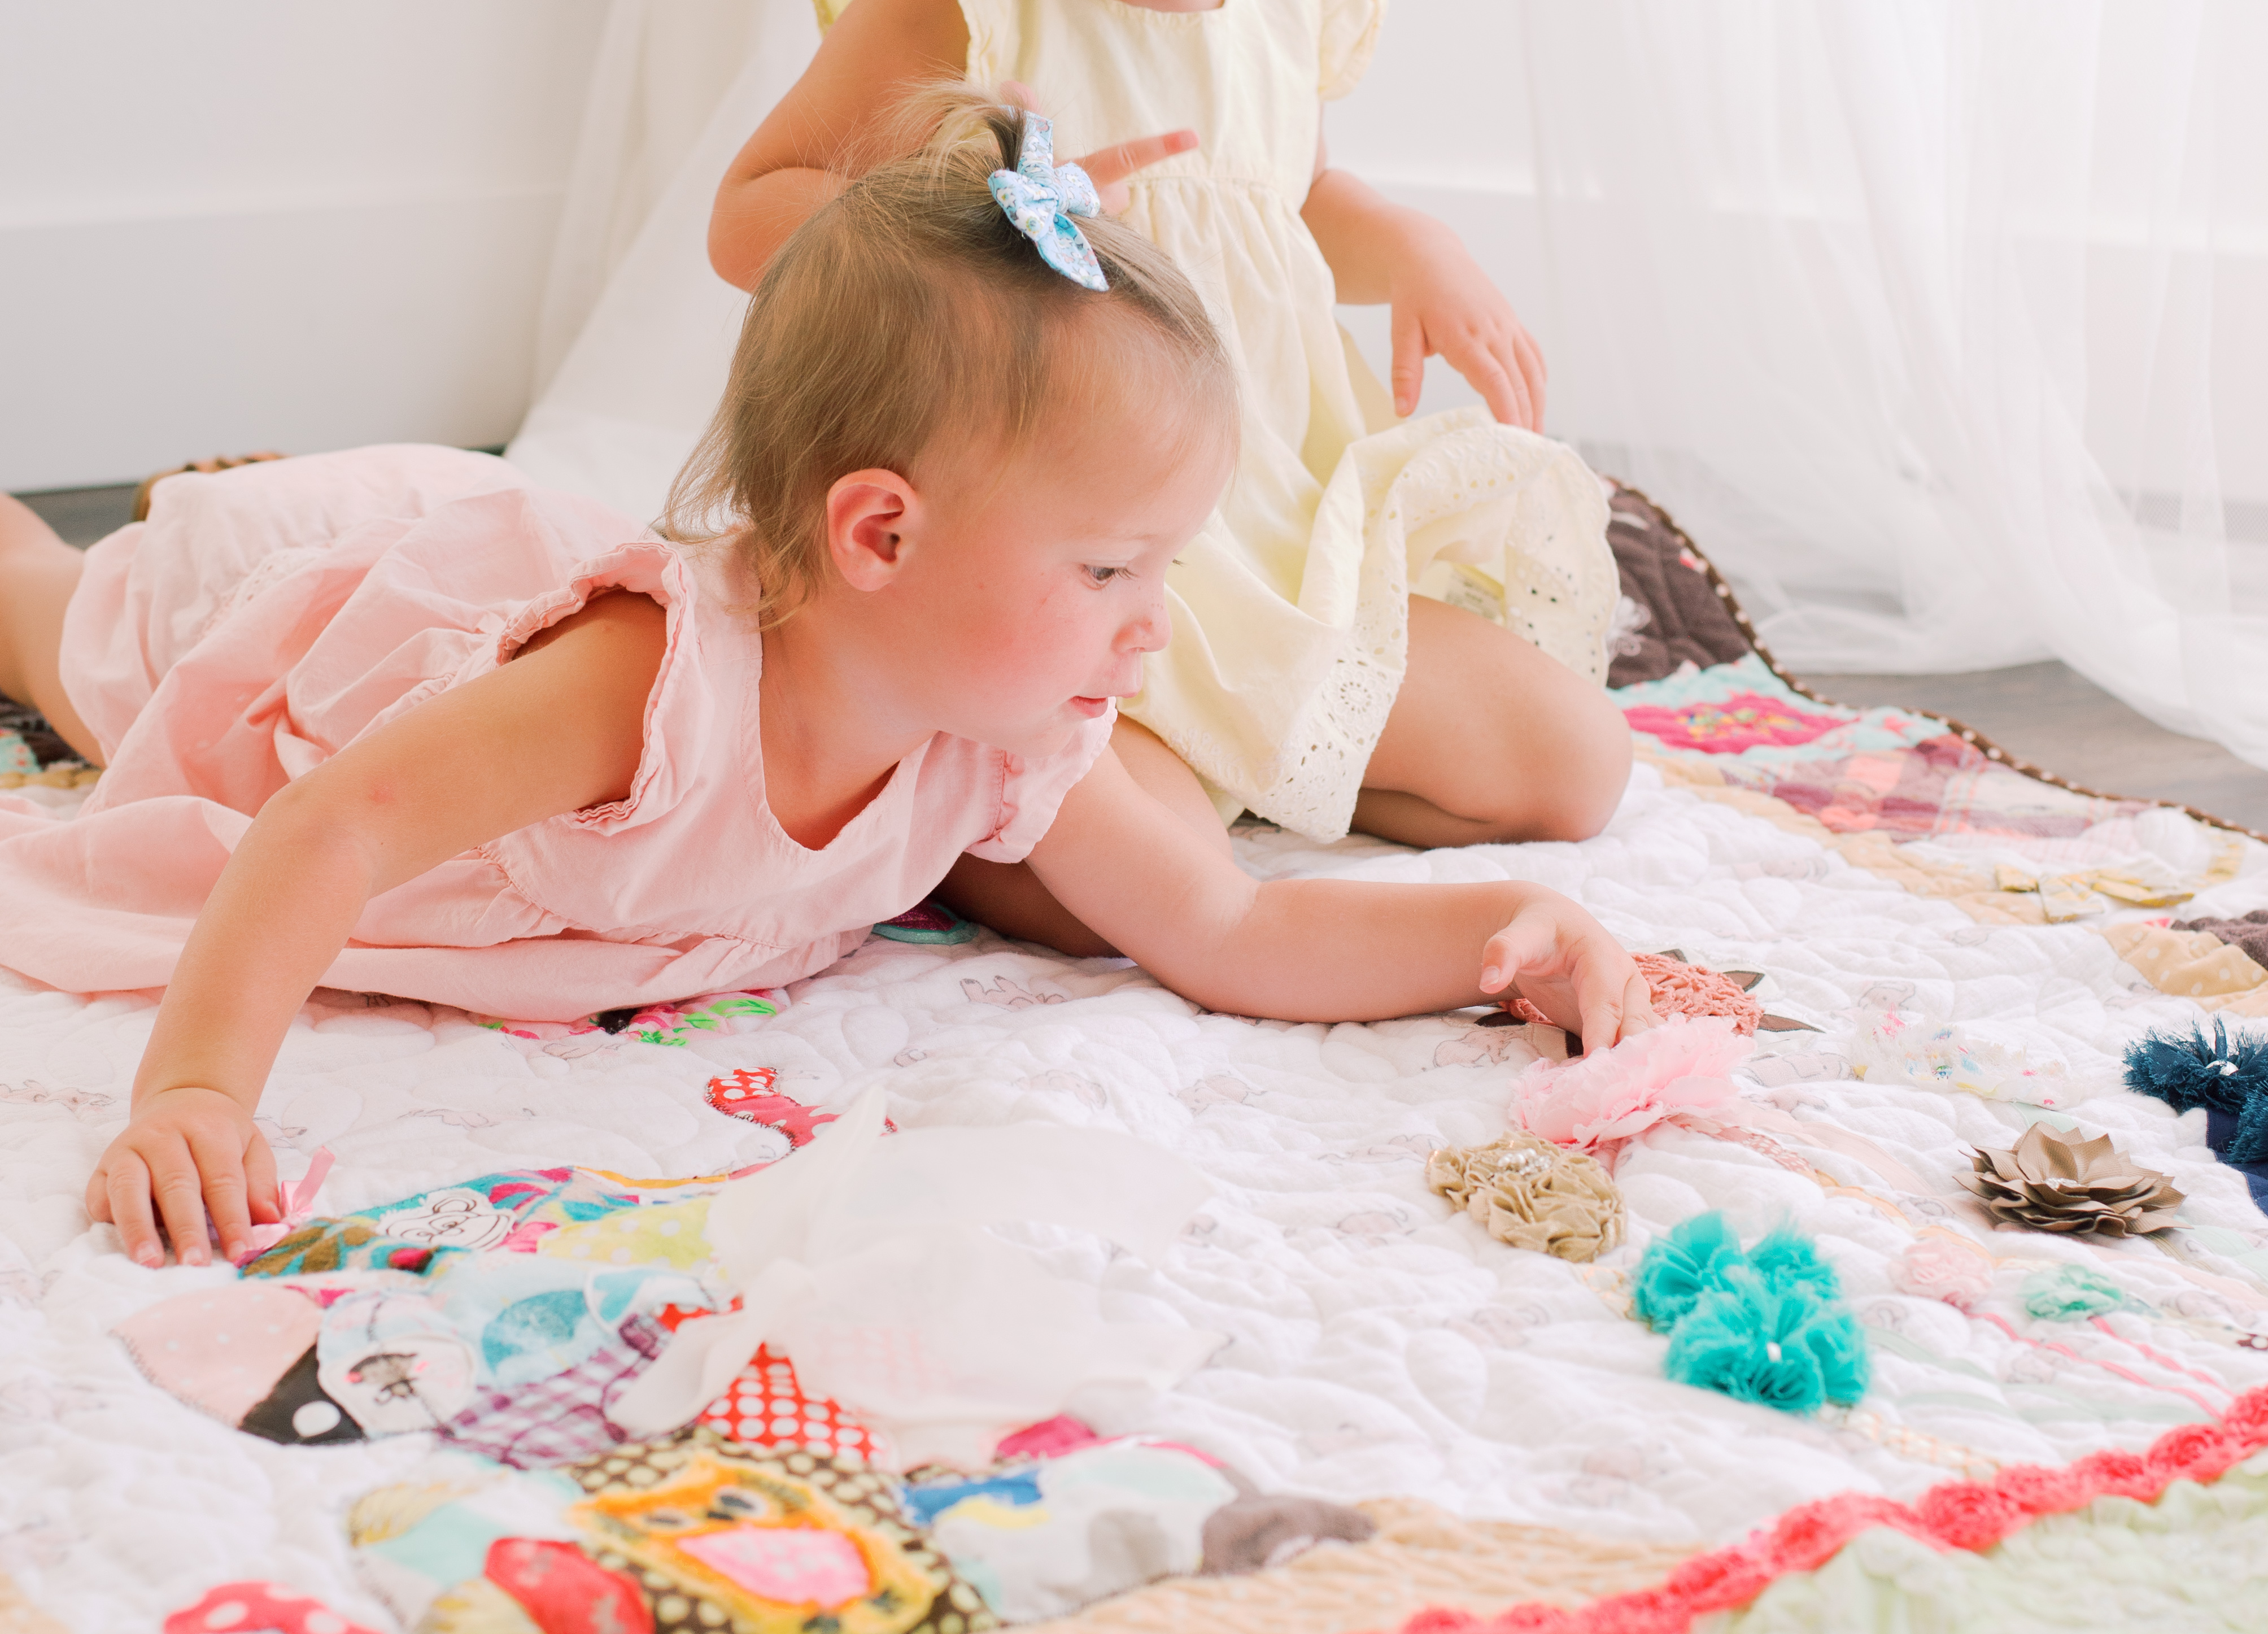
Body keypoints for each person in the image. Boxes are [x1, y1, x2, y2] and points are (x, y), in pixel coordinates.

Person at [0, 110, 1650, 1273]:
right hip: (324, 632)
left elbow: (1233, 930)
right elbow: (332, 827)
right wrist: (201, 1092)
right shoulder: (646, 685)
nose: (1155, 629)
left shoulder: (1001, 742)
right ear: (880, 532)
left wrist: (1502, 929)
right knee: (65, 640)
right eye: (1107, 571)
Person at [709, 0, 1632, 962]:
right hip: (1052, 565)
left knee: (1575, 766)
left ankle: (1261, 757)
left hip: (1263, 534)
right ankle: (1026, 789)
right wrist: (978, 215)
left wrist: (1413, 247)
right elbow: (751, 211)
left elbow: (1283, 192)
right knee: (1129, 896)